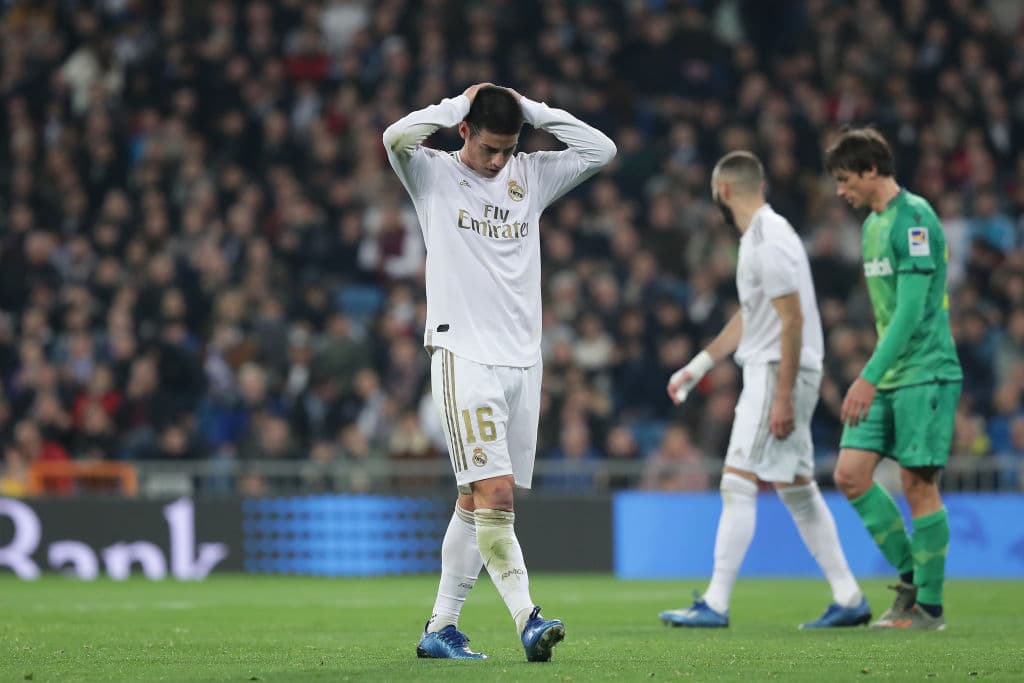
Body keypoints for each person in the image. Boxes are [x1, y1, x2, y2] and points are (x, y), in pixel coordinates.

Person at [383, 83, 616, 660]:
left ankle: (441, 628)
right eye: (489, 148)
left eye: (507, 149)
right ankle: (528, 620)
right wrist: (458, 104)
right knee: (495, 493)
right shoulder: (432, 174)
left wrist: (530, 110)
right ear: (464, 131)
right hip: (464, 355)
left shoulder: (528, 176)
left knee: (475, 500)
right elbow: (395, 136)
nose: (497, 161)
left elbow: (600, 149)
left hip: (523, 362)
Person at [658, 151, 870, 630]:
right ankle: (849, 596)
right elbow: (754, 315)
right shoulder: (763, 236)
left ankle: (715, 602)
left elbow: (791, 320)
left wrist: (781, 395)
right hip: (776, 369)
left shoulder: (768, 240)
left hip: (777, 372)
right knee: (798, 490)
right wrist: (698, 365)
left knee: (737, 481)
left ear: (724, 191)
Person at [825, 128, 962, 631]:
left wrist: (866, 377)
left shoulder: (916, 219)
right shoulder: (872, 227)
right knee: (850, 474)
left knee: (917, 483)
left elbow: (908, 313)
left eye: (845, 180)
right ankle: (912, 579)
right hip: (888, 373)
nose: (842, 191)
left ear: (870, 170)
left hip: (925, 371)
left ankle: (930, 608)